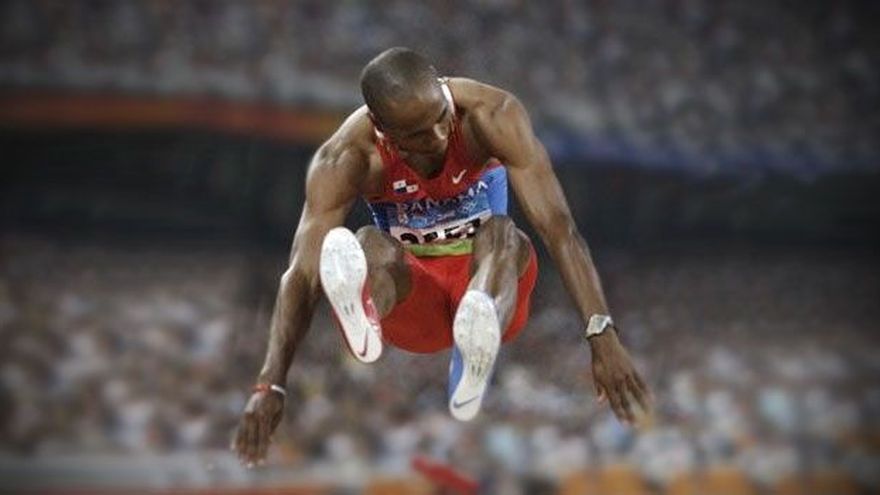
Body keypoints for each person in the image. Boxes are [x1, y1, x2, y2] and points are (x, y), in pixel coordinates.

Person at [232, 47, 650, 466]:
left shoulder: (492, 115)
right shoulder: (346, 156)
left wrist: (601, 331)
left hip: (491, 281)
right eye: (416, 135)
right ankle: (366, 313)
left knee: (503, 232)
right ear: (380, 126)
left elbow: (560, 229)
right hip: (415, 302)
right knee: (368, 243)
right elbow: (301, 275)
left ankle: (476, 345)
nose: (436, 137)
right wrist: (271, 383)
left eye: (440, 118)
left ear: (440, 86)